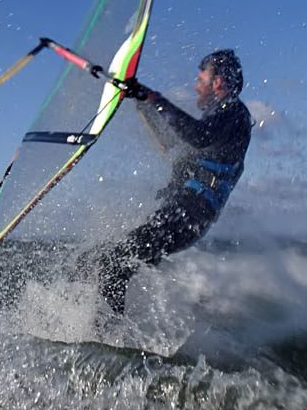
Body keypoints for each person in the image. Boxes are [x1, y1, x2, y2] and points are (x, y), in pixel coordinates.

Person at [93, 49, 252, 314]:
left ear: (218, 82)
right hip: (181, 213)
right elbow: (174, 143)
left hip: (191, 216)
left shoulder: (234, 113)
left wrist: (157, 99)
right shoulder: (221, 118)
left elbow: (198, 136)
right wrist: (142, 98)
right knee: (108, 261)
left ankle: (110, 334)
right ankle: (114, 325)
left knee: (113, 261)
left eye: (201, 80)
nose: (196, 86)